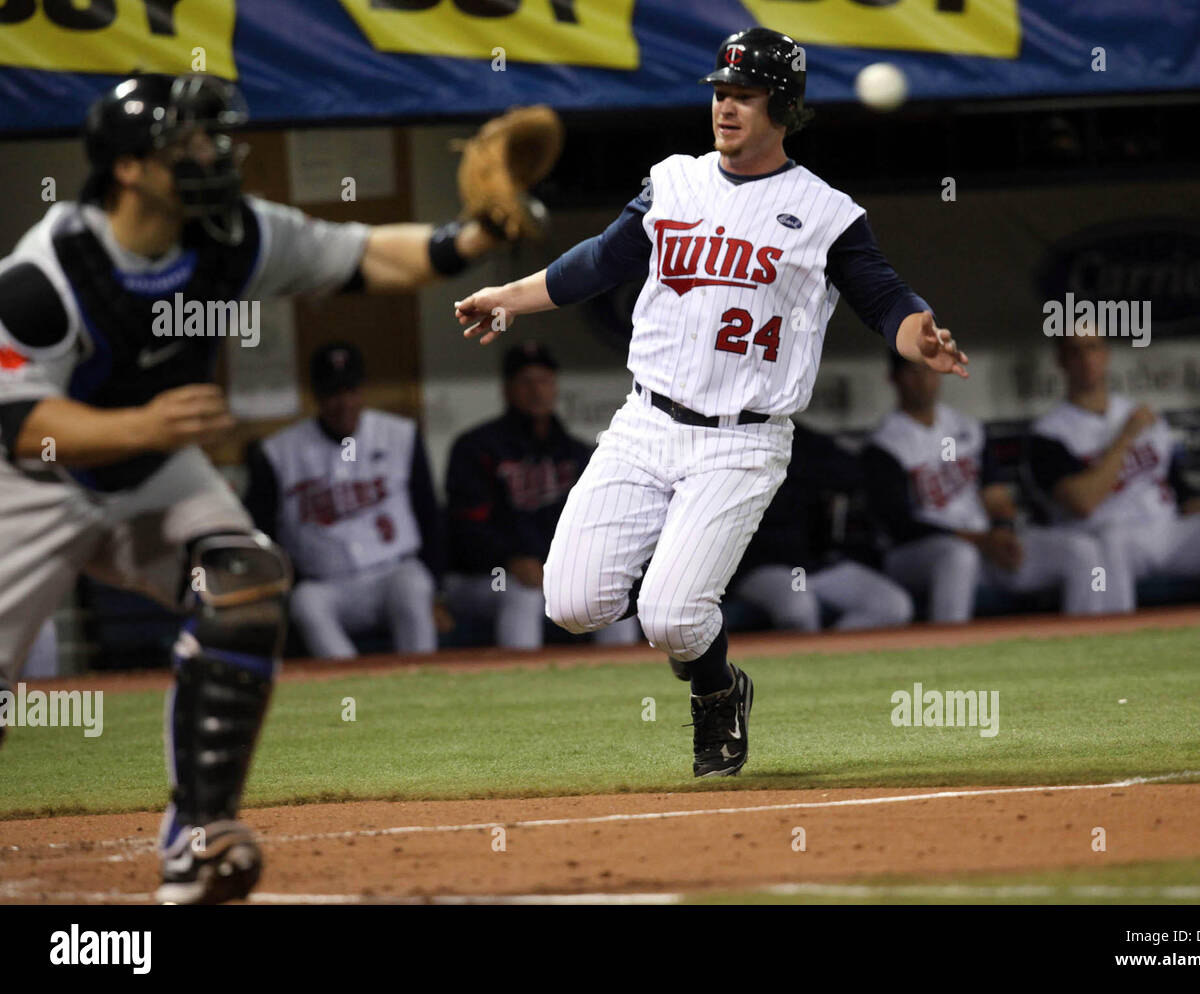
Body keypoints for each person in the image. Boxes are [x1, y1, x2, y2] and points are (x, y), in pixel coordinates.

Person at [0, 74, 551, 903]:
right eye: (190, 141)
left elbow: (365, 255)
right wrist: (144, 425)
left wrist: (470, 238)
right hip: (33, 481)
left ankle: (196, 837)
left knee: (247, 584)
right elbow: (19, 424)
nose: (214, 154)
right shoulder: (48, 270)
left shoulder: (231, 234)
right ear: (130, 168)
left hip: (154, 469)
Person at [454, 28, 967, 777]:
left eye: (745, 96)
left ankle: (717, 691)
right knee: (570, 604)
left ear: (783, 107)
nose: (726, 108)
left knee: (669, 614)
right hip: (646, 422)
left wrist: (921, 334)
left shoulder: (825, 212)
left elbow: (884, 298)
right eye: (720, 93)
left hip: (742, 440)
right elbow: (598, 261)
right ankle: (706, 660)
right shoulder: (674, 181)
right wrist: (508, 296)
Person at [1025, 325, 1200, 611]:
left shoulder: (1142, 414)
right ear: (1060, 361)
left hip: (1168, 531)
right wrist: (1125, 437)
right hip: (1109, 537)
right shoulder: (1050, 433)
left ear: (1106, 355)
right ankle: (1113, 644)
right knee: (1109, 544)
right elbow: (1083, 503)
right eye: (1075, 351)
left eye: (1093, 347)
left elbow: (1176, 486)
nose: (1087, 359)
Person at [864, 350, 1106, 621]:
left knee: (1081, 551)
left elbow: (996, 496)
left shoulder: (966, 426)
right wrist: (982, 541)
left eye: (930, 371)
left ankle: (1083, 649)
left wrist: (1002, 531)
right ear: (894, 379)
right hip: (919, 554)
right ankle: (948, 654)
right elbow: (901, 526)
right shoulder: (884, 444)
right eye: (913, 372)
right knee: (958, 557)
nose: (924, 381)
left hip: (985, 545)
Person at [245, 342, 441, 658]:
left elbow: (429, 514)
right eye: (332, 393)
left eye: (351, 391)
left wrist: (438, 589)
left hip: (392, 572)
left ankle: (421, 677)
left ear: (362, 390)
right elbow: (262, 534)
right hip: (328, 584)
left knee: (415, 584)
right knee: (306, 603)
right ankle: (349, 687)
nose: (343, 403)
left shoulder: (399, 434)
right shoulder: (278, 452)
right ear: (316, 397)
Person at [443, 341, 640, 649]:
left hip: (555, 573)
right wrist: (511, 559)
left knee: (610, 593)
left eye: (544, 381)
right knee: (523, 594)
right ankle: (522, 689)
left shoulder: (578, 453)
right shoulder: (475, 447)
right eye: (525, 382)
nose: (536, 391)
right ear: (506, 389)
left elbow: (600, 522)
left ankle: (622, 687)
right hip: (486, 577)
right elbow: (467, 530)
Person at [730, 421, 913, 631]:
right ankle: (804, 661)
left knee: (892, 604)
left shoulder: (797, 437)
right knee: (798, 607)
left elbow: (850, 471)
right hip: (755, 566)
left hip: (810, 563)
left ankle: (829, 658)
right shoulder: (727, 438)